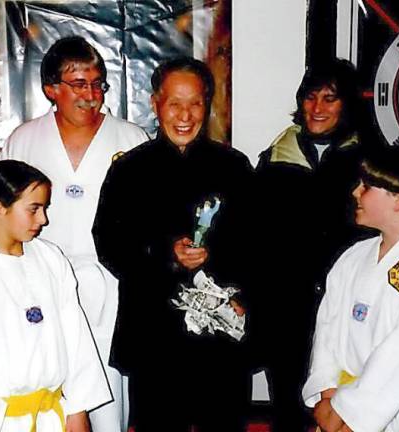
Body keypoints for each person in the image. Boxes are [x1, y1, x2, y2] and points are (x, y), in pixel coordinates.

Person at [93, 57, 255, 432]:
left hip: (219, 338)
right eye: (174, 103)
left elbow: (259, 242)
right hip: (155, 335)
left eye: (195, 103)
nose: (185, 115)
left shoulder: (234, 167)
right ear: (155, 104)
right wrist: (166, 254)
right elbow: (108, 242)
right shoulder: (129, 170)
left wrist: (221, 261)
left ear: (207, 103)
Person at [0, 35, 148, 431]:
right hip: (40, 286)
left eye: (98, 83)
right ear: (51, 89)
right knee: (47, 390)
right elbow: (3, 221)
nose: (92, 95)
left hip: (111, 287)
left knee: (108, 396)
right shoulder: (24, 140)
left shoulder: (131, 140)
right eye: (79, 84)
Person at [0, 160, 111, 432]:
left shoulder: (50, 259)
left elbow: (77, 341)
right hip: (2, 423)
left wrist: (77, 410)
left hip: (55, 417)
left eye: (44, 208)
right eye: (34, 209)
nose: (43, 219)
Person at [253, 58, 372, 431]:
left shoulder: (369, 161)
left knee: (338, 404)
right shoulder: (274, 160)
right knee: (287, 405)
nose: (317, 108)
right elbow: (254, 235)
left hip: (347, 304)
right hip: (286, 306)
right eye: (310, 97)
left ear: (346, 104)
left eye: (330, 99)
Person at [302, 145, 399, 432]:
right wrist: (328, 396)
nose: (356, 192)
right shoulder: (354, 256)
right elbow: (327, 331)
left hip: (390, 413)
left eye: (367, 186)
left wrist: (348, 418)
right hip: (335, 407)